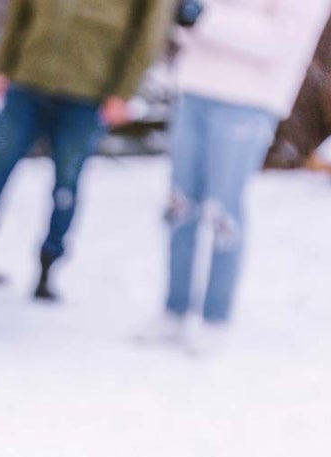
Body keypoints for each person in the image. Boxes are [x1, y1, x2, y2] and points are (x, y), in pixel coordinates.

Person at [0, 0, 177, 299]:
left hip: (87, 92)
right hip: (28, 80)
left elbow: (148, 34)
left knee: (66, 184)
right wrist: (2, 66)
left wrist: (123, 92)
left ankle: (49, 268)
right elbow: (21, 10)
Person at [142, 0, 331, 350]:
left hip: (249, 100)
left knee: (223, 211)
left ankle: (215, 317)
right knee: (179, 205)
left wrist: (208, 19)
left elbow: (280, 39)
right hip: (194, 88)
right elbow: (184, 20)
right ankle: (174, 308)